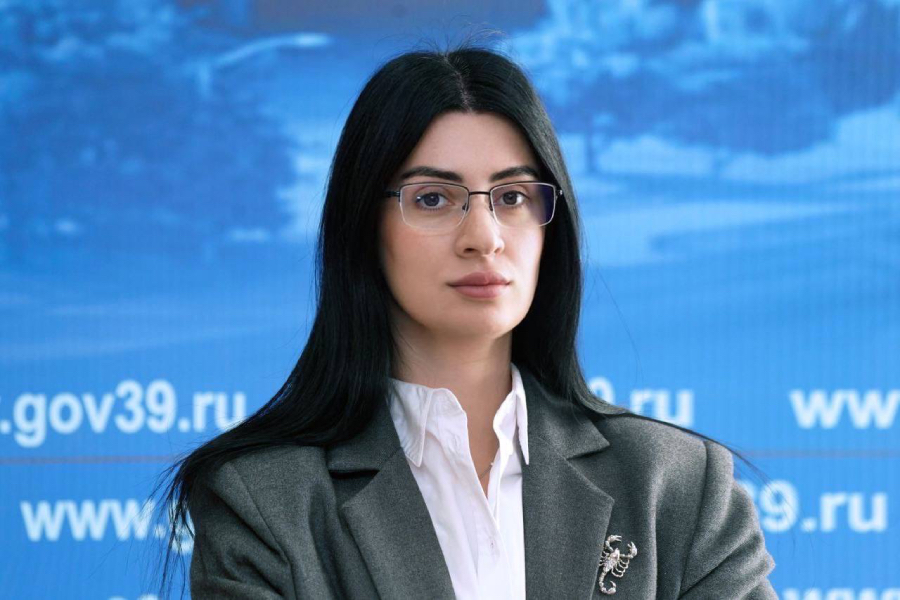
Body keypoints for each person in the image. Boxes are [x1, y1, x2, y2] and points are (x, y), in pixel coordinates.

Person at [153, 43, 776, 599]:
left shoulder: (677, 485)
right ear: (363, 227)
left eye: (513, 197)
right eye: (433, 198)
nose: (484, 236)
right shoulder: (265, 500)